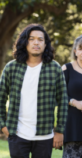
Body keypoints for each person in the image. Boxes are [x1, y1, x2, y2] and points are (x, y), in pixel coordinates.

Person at [0, 24, 68, 158]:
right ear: (25, 42)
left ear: (45, 44)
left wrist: (59, 131)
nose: (36, 42)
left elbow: (63, 101)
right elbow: (1, 99)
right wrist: (3, 126)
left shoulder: (54, 68)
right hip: (17, 134)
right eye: (31, 39)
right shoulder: (11, 68)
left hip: (44, 136)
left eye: (40, 39)